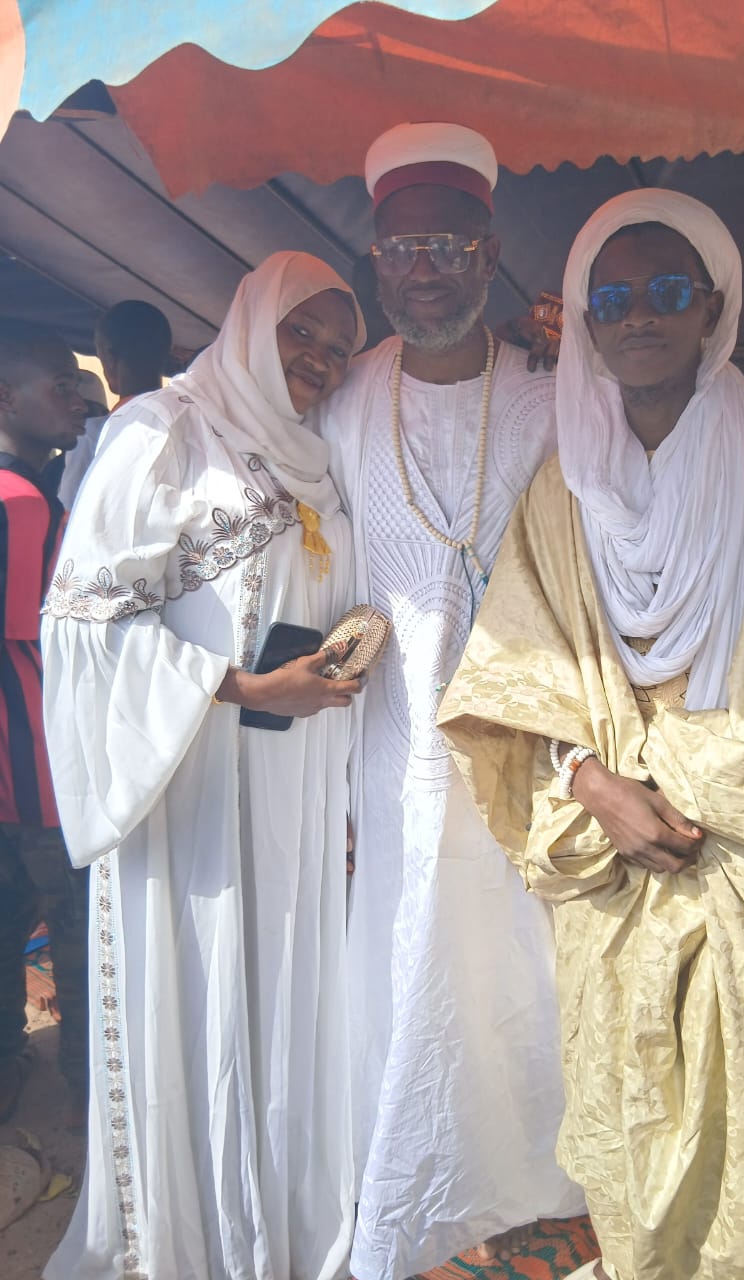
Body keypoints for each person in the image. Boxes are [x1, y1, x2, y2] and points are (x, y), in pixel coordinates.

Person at [438, 190, 744, 1280]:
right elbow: (518, 669)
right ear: (585, 323)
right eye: (611, 299)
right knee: (625, 1098)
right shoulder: (564, 487)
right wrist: (594, 783)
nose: (639, 315)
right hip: (610, 848)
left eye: (665, 290)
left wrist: (666, 785)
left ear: (712, 308)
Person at [41, 252, 367, 1280]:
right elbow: (83, 621)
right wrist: (240, 687)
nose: (318, 358)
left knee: (275, 999)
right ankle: (189, 1239)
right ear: (251, 319)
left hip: (292, 784)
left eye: (337, 345)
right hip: (187, 783)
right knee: (194, 991)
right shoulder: (165, 432)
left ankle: (270, 1222)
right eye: (300, 330)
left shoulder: (320, 457)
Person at [320, 122, 583, 1280]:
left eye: (447, 245)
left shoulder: (549, 398)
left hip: (525, 741)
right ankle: (411, 1169)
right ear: (376, 259)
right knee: (406, 947)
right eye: (401, 247)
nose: (422, 268)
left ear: (490, 254)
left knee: (520, 957)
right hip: (390, 748)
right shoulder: (342, 398)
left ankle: (529, 1167)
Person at [0, 320, 89, 1130]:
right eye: (59, 383)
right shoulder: (24, 504)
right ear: (6, 398)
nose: (78, 396)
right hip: (41, 775)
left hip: (13, 773)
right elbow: (48, 640)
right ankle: (96, 1096)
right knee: (78, 939)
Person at [59, 301, 172, 511]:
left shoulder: (92, 436)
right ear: (167, 354)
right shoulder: (191, 425)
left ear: (108, 356)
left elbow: (70, 512)